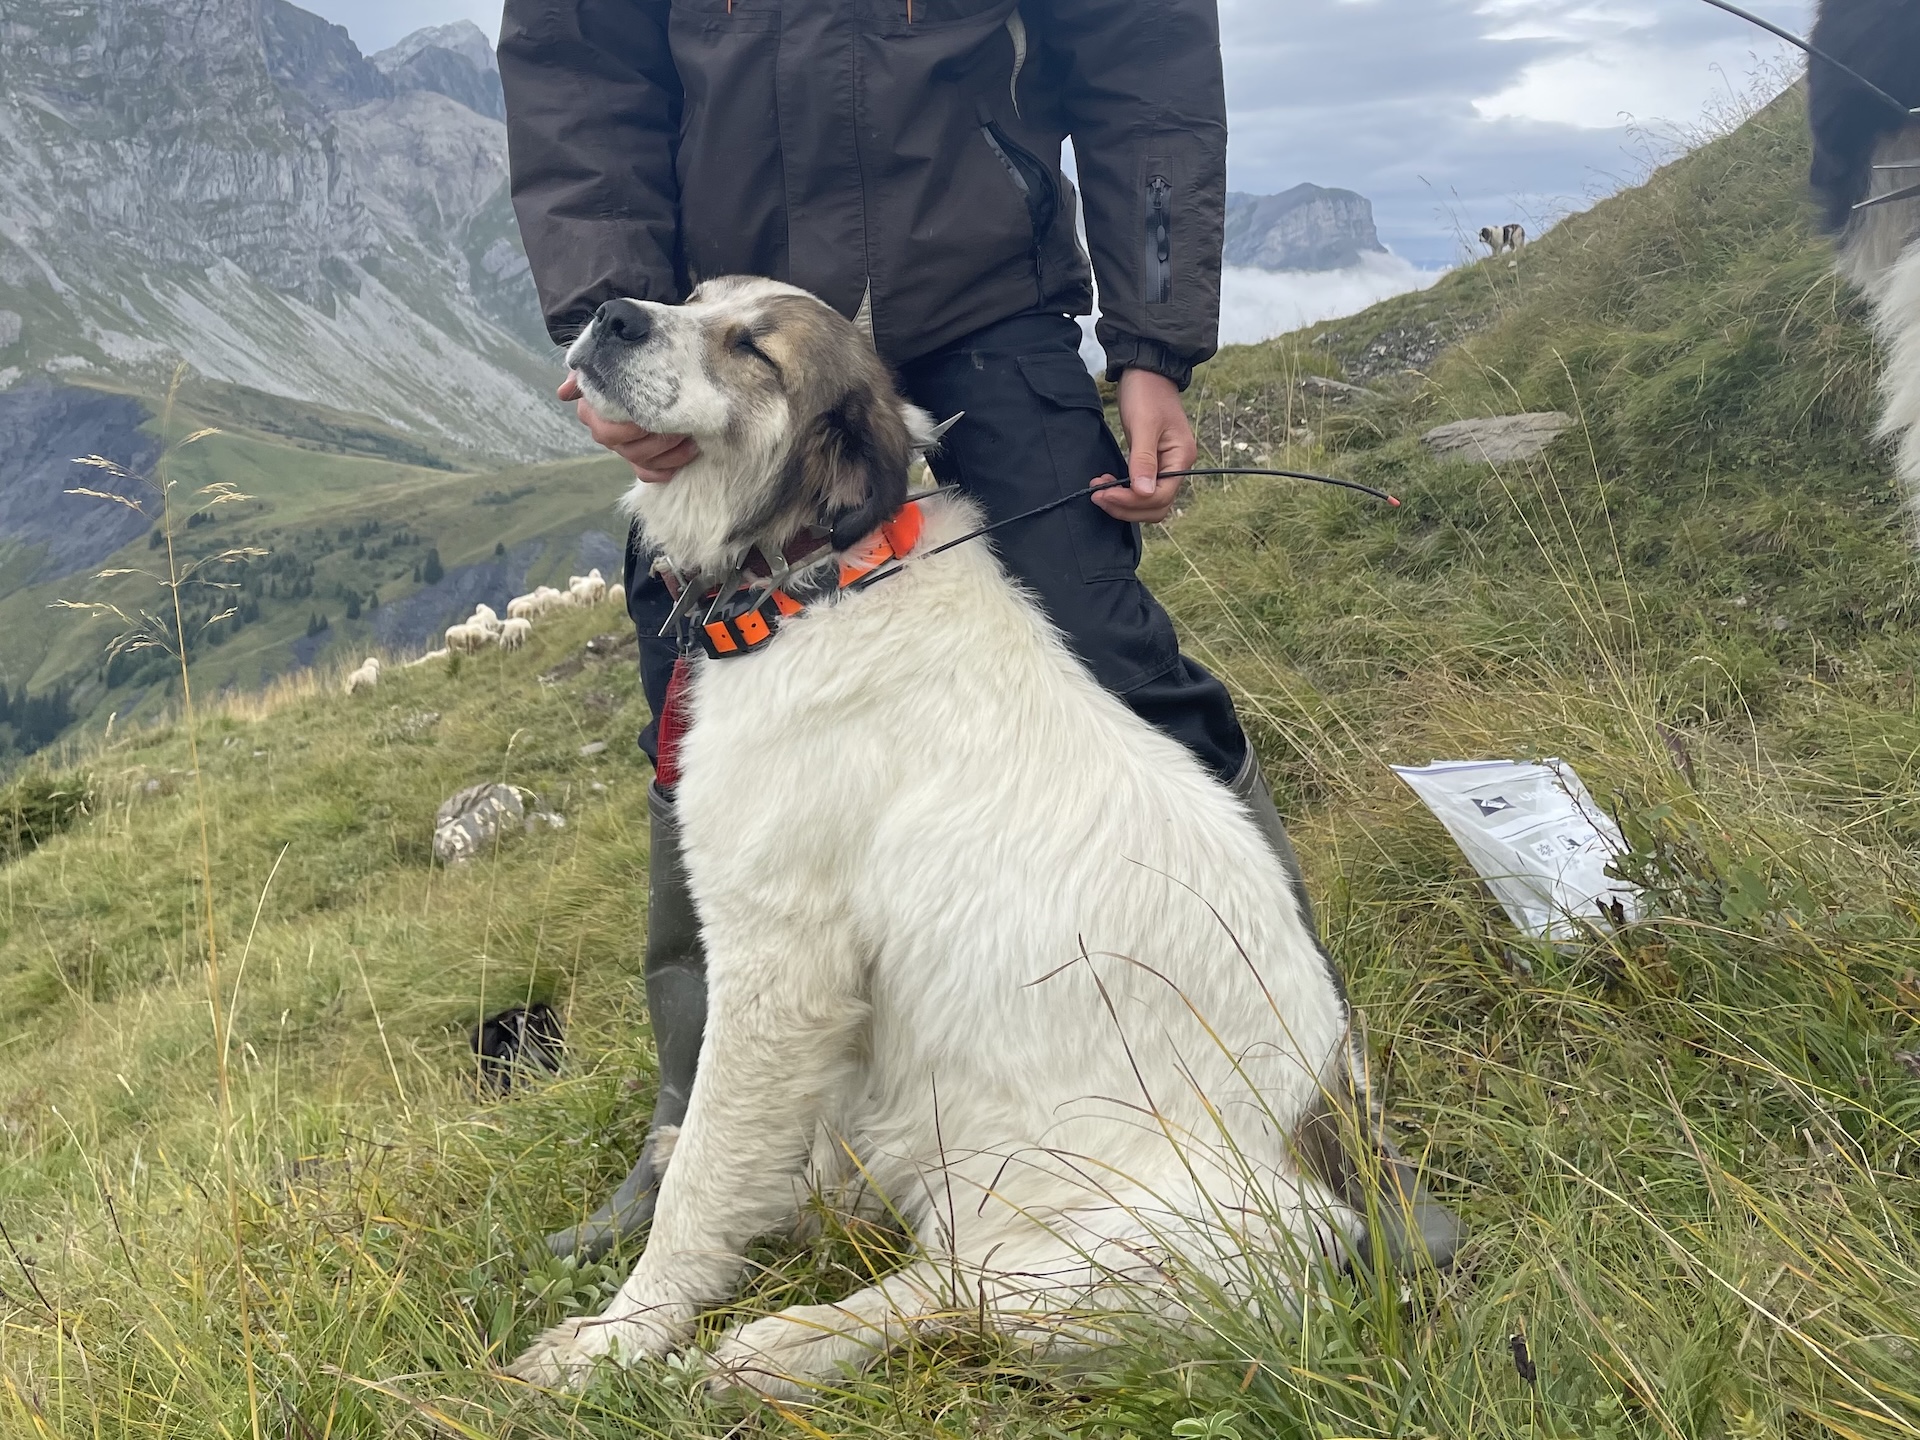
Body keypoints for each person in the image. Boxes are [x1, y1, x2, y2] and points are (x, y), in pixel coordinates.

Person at [499, 0, 1457, 1267]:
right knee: (691, 726)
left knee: (1119, 668)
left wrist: (1153, 342)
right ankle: (702, 1138)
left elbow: (1139, 48)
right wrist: (609, 322)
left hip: (983, 315)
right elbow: (578, 69)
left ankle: (1330, 1140)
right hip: (732, 344)